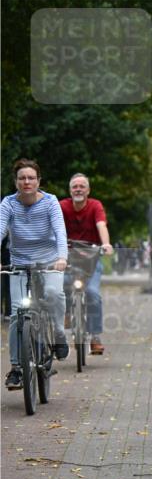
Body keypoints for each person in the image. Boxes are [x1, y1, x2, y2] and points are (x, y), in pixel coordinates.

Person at [1, 159, 69, 390]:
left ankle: (59, 334)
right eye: (22, 178)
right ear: (16, 182)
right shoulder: (8, 204)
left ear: (38, 180)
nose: (26, 182)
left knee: (53, 294)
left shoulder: (50, 202)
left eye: (31, 178)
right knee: (18, 313)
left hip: (49, 263)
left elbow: (60, 232)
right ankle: (17, 369)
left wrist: (62, 258)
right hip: (20, 263)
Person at [59, 173, 114, 355]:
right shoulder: (63, 206)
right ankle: (67, 314)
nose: (78, 189)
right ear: (70, 190)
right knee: (64, 285)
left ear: (88, 190)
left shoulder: (95, 206)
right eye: (75, 186)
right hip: (68, 258)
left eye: (82, 186)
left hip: (91, 259)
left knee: (92, 293)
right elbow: (55, 227)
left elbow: (101, 225)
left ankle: (95, 337)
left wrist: (105, 244)